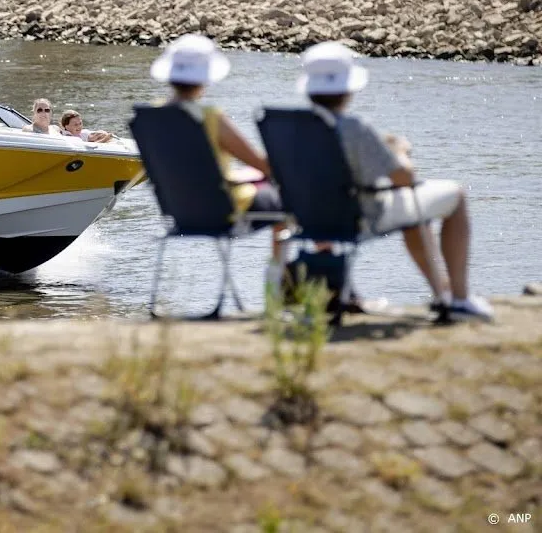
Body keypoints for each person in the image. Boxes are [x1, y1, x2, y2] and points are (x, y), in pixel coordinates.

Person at [297, 40, 493, 321]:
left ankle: (442, 292)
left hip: (313, 218)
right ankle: (458, 298)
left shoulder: (294, 128)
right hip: (362, 215)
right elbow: (404, 178)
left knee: (416, 213)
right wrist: (400, 150)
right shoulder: (354, 127)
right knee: (456, 195)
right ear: (348, 89)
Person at [150, 34, 284, 260]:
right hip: (224, 211)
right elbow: (263, 165)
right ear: (205, 78)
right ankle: (281, 281)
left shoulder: (151, 116)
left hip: (178, 211)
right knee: (289, 196)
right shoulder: (210, 117)